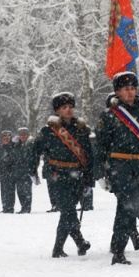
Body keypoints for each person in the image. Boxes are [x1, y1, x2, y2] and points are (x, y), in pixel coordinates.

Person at [95, 72, 139, 265]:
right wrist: (99, 173)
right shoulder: (109, 116)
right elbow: (100, 146)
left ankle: (118, 246)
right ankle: (119, 251)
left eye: (133, 88)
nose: (130, 92)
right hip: (120, 168)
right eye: (126, 89)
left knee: (128, 207)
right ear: (117, 92)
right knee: (127, 207)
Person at [31, 92, 94, 258]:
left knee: (67, 212)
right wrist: (33, 170)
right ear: (57, 110)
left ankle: (58, 249)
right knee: (68, 210)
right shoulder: (48, 131)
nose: (69, 110)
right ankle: (80, 241)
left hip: (77, 175)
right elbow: (34, 151)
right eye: (64, 107)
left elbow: (88, 155)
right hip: (56, 175)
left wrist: (89, 178)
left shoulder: (82, 130)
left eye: (71, 107)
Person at [0, 130, 16, 214]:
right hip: (2, 173)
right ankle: (5, 207)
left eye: (7, 138)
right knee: (3, 191)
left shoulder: (12, 147)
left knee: (10, 191)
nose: (5, 139)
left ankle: (10, 208)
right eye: (3, 138)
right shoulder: (1, 148)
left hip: (10, 172)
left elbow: (11, 158)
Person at [11, 128, 34, 214]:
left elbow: (32, 157)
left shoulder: (31, 144)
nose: (23, 136)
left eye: (24, 135)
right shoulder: (16, 145)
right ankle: (23, 207)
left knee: (27, 191)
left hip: (27, 171)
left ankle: (27, 208)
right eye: (21, 135)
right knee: (20, 191)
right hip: (18, 172)